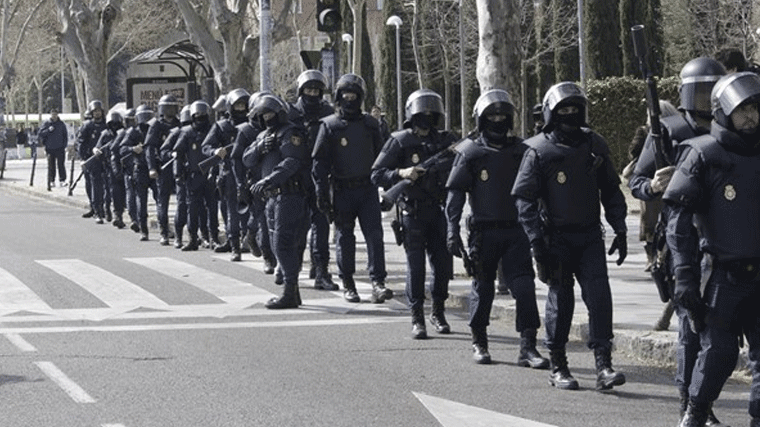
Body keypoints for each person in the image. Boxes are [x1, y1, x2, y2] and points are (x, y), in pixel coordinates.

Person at [629, 58, 728, 426]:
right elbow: (637, 181)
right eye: (699, 90)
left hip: (724, 242)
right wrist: (654, 185)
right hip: (683, 241)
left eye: (712, 89)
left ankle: (703, 398)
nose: (705, 99)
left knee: (720, 333)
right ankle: (689, 401)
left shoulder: (734, 129)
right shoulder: (669, 132)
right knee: (690, 329)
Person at [512, 81, 628, 391]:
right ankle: (559, 365)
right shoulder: (538, 150)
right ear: (551, 113)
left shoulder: (595, 144)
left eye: (575, 109)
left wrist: (620, 227)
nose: (570, 115)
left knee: (600, 298)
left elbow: (611, 189)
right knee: (560, 302)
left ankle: (604, 365)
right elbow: (524, 200)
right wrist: (536, 242)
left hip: (590, 236)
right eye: (563, 110)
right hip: (555, 239)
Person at [664, 71, 760, 427]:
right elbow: (677, 221)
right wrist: (685, 277)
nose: (751, 116)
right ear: (722, 111)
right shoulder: (703, 154)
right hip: (720, 277)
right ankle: (695, 413)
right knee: (718, 356)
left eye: (756, 108)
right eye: (742, 109)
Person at [445, 89, 548, 369]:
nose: (498, 121)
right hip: (483, 230)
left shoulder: (523, 151)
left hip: (516, 231)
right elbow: (455, 194)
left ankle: (528, 346)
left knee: (525, 287)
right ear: (481, 119)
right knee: (483, 288)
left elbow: (539, 190)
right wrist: (451, 230)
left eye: (503, 116)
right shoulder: (471, 152)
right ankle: (479, 340)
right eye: (492, 116)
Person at [372, 89, 456, 339]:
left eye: (431, 115)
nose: (426, 120)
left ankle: (438, 311)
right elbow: (376, 173)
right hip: (412, 212)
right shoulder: (399, 141)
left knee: (442, 266)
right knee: (415, 268)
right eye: (422, 115)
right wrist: (401, 174)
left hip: (437, 211)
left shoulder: (445, 142)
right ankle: (417, 316)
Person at [312, 73, 390, 303]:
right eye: (345, 94)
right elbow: (319, 164)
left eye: (354, 95)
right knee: (345, 237)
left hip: (367, 189)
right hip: (342, 190)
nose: (350, 99)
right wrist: (321, 193)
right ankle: (348, 283)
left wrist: (389, 189)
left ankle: (378, 282)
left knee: (375, 236)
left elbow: (383, 157)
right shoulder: (329, 126)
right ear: (338, 96)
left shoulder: (370, 124)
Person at [243, 94, 310, 309]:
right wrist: (260, 146)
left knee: (283, 244)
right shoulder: (264, 135)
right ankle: (293, 292)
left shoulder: (290, 132)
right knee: (274, 244)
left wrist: (269, 179)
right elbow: (246, 158)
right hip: (271, 197)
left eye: (271, 113)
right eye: (264, 115)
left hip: (289, 195)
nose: (268, 118)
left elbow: (292, 161)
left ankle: (290, 291)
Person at [289, 70, 339, 291]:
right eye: (308, 89)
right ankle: (292, 267)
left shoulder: (328, 113)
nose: (312, 94)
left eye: (316, 90)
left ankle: (321, 270)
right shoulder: (291, 113)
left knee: (321, 223)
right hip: (296, 176)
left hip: (321, 176)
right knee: (298, 225)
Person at [231, 91, 277, 272]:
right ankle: (268, 256)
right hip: (255, 180)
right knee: (262, 218)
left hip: (274, 179)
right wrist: (240, 184)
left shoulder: (277, 127)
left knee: (267, 219)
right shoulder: (245, 131)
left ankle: (251, 234)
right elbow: (237, 159)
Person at [203, 88, 250, 260]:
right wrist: (216, 151)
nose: (241, 108)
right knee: (233, 213)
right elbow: (206, 146)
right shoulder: (221, 126)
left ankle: (250, 240)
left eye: (243, 105)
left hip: (249, 172)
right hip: (229, 173)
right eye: (237, 105)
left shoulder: (252, 125)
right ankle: (235, 245)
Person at [174, 101, 213, 251]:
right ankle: (192, 239)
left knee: (211, 207)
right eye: (197, 115)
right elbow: (178, 154)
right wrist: (178, 173)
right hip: (193, 175)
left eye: (203, 114)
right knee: (193, 209)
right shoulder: (187, 132)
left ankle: (210, 237)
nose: (200, 117)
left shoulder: (212, 130)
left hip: (210, 174)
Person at [145, 94, 181, 246]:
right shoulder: (156, 125)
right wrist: (152, 167)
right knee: (162, 201)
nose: (170, 109)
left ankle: (180, 232)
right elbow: (149, 148)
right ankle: (164, 232)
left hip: (179, 166)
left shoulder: (180, 124)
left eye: (173, 106)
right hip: (163, 167)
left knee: (182, 201)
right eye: (168, 106)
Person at [119, 104, 155, 240]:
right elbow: (122, 149)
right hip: (140, 168)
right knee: (141, 200)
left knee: (161, 199)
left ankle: (164, 229)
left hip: (155, 167)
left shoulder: (155, 129)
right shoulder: (133, 132)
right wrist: (132, 149)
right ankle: (143, 229)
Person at [77, 100, 108, 222]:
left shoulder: (106, 125)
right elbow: (81, 143)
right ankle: (96, 209)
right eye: (95, 111)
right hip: (91, 159)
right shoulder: (87, 125)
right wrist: (83, 158)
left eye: (99, 111)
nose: (97, 113)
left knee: (106, 185)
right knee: (94, 185)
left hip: (104, 158)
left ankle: (105, 209)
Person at [38, 108, 68, 190]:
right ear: (50, 114)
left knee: (61, 164)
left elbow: (65, 135)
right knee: (51, 165)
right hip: (50, 148)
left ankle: (62, 180)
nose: (54, 116)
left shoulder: (61, 124)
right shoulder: (46, 123)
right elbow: (40, 134)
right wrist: (48, 130)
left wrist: (64, 145)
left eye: (55, 114)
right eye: (53, 114)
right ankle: (52, 180)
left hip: (60, 148)